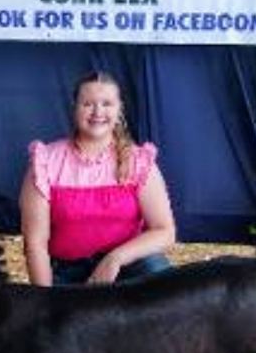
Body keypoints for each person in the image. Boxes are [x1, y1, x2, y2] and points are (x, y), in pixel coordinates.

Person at [20, 71, 176, 286]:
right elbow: (35, 243)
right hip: (67, 271)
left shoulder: (139, 160)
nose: (97, 111)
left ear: (119, 108)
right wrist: (45, 302)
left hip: (130, 265)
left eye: (107, 103)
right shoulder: (45, 161)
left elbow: (165, 231)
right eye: (88, 104)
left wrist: (115, 259)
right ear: (74, 107)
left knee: (168, 293)